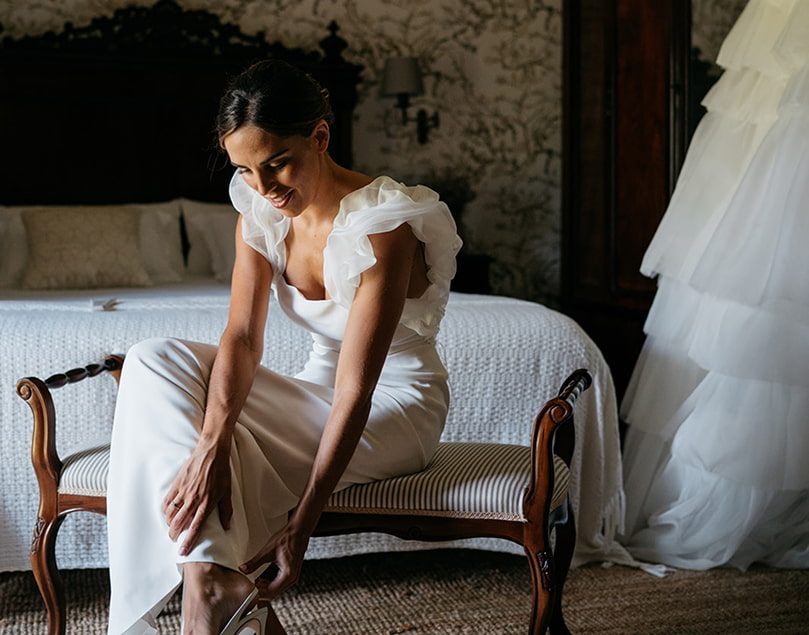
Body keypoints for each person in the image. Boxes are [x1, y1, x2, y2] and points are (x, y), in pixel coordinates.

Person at [106, 59, 462, 634]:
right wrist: (211, 445)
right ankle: (212, 584)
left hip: (394, 406)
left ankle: (214, 593)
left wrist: (303, 526)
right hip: (315, 392)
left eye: (277, 164)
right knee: (155, 358)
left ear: (320, 136)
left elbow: (356, 388)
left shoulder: (386, 224)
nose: (264, 188)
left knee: (237, 447)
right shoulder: (258, 210)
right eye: (245, 170)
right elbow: (242, 340)